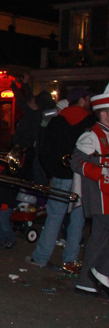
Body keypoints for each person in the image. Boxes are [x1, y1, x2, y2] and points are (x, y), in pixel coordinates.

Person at [26, 87, 93, 272]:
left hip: (61, 175)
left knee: (54, 216)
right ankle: (70, 260)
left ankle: (41, 257)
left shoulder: (57, 122)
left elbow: (44, 151)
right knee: (77, 219)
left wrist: (51, 173)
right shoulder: (90, 122)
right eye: (88, 98)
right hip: (82, 176)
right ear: (81, 100)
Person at [71, 84, 109, 295]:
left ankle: (86, 283)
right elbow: (76, 162)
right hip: (99, 196)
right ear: (104, 114)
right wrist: (102, 173)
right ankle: (101, 273)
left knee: (98, 239)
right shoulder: (92, 135)